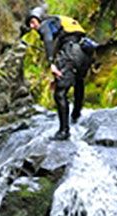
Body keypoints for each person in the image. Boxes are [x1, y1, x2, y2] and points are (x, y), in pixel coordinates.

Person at [25, 5, 95, 141]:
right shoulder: (59, 22)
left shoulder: (45, 25)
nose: (33, 26)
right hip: (85, 52)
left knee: (60, 93)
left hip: (71, 53)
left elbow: (48, 41)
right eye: (30, 24)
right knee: (78, 81)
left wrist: (51, 64)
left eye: (33, 22)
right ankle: (76, 114)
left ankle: (64, 131)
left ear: (40, 19)